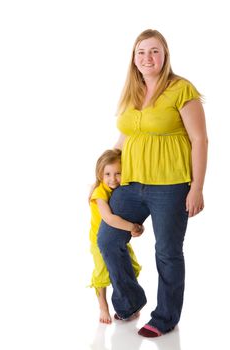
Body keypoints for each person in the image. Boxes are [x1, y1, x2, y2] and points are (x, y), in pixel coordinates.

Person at [97, 29, 208, 337]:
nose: (148, 57)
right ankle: (130, 301)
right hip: (129, 185)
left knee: (168, 251)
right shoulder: (132, 92)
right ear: (134, 58)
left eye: (154, 51)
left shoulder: (181, 90)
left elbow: (200, 139)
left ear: (165, 55)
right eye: (141, 52)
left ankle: (165, 317)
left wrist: (196, 187)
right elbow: (125, 136)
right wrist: (101, 175)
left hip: (170, 186)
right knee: (108, 239)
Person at [89, 148, 144, 324]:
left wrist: (134, 228)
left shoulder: (121, 190)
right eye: (107, 174)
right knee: (103, 273)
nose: (113, 179)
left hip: (117, 236)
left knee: (130, 266)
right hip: (99, 240)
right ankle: (103, 307)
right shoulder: (99, 194)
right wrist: (133, 226)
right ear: (100, 175)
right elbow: (109, 218)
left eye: (118, 173)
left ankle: (130, 303)